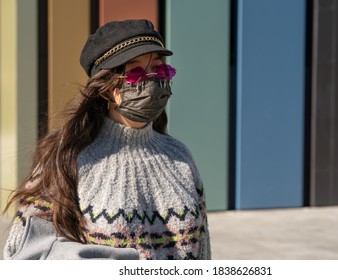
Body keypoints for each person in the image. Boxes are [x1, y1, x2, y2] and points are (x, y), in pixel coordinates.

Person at [3, 19, 211, 260]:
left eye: (159, 69)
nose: (152, 81)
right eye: (135, 73)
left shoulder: (180, 157)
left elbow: (204, 253)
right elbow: (20, 250)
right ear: (105, 86)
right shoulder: (67, 157)